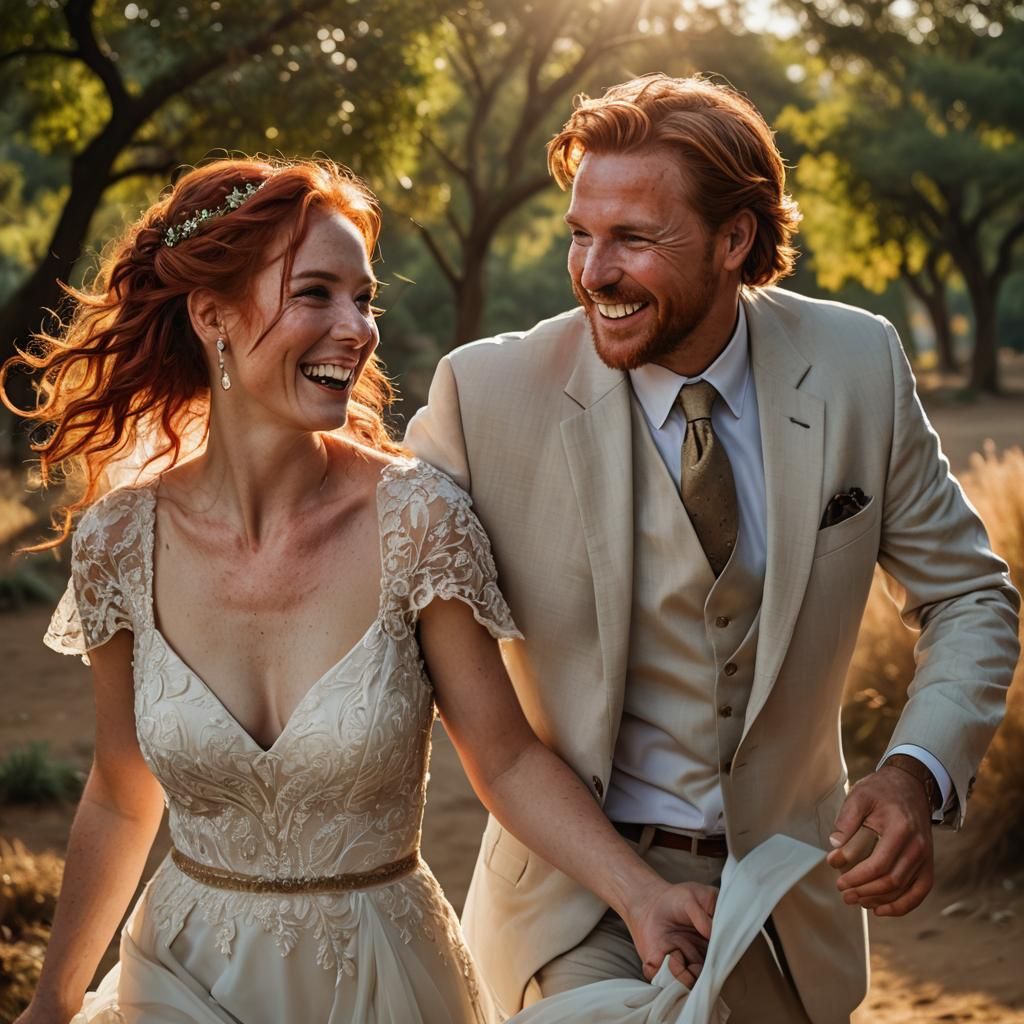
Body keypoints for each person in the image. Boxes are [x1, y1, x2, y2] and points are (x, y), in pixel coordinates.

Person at [3, 157, 719, 1024]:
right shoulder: (118, 541)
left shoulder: (419, 520)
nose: (357, 328)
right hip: (179, 980)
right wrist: (51, 1002)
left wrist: (641, 895)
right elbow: (121, 789)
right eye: (315, 294)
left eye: (363, 298)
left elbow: (505, 757)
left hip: (380, 982)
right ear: (212, 315)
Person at [405, 74, 1020, 1024]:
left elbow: (969, 595)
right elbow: (364, 570)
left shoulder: (857, 363)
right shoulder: (483, 397)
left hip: (790, 903)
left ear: (735, 239)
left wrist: (915, 772)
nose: (593, 271)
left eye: (633, 239)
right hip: (573, 904)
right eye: (580, 233)